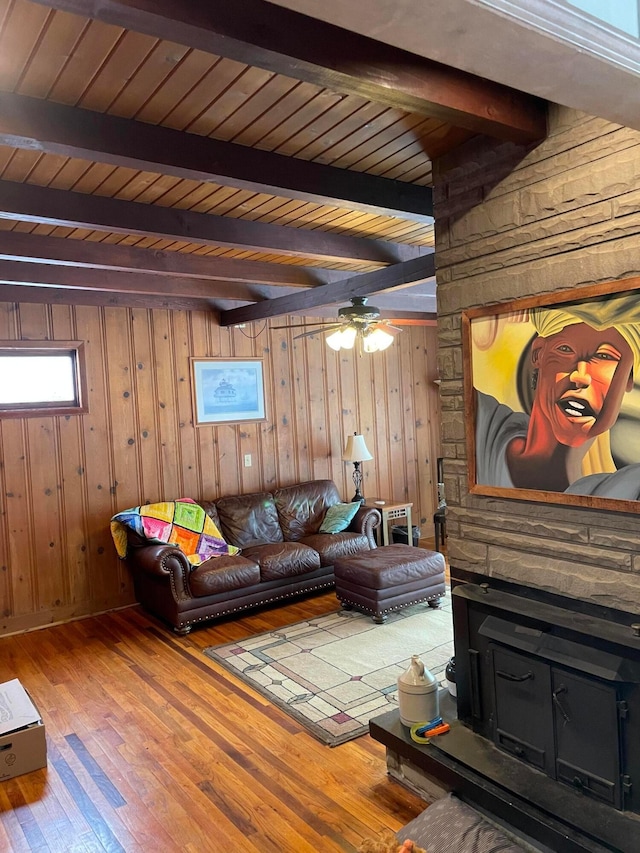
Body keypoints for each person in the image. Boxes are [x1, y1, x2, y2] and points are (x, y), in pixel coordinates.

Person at [475, 292, 640, 497]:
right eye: (565, 349)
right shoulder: (481, 428)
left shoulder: (616, 493)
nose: (580, 376)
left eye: (604, 356)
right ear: (539, 354)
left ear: (628, 378)